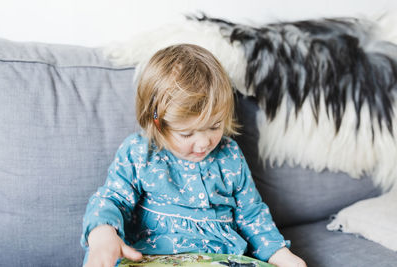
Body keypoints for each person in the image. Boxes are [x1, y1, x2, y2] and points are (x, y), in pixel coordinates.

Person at [81, 44, 306, 267]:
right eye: (187, 133)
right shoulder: (140, 153)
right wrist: (102, 233)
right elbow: (113, 199)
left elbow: (252, 214)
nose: (204, 142)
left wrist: (281, 254)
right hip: (152, 256)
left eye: (215, 126)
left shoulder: (230, 156)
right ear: (156, 123)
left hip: (220, 259)